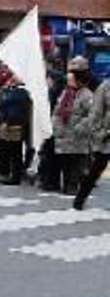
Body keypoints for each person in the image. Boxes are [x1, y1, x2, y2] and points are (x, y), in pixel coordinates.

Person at [51, 56, 93, 195]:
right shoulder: (65, 93)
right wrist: (55, 125)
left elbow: (92, 115)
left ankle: (72, 186)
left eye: (71, 79)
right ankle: (66, 184)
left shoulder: (87, 95)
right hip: (63, 134)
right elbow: (57, 111)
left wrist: (80, 127)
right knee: (65, 162)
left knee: (76, 163)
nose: (68, 82)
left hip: (77, 136)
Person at [76, 74, 110, 209]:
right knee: (96, 169)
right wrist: (98, 133)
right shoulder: (105, 86)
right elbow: (96, 112)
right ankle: (79, 199)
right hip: (107, 136)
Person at [0, 73, 32, 184]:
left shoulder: (21, 92)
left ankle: (15, 176)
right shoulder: (12, 90)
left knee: (15, 151)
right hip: (9, 122)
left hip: (15, 123)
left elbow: (6, 102)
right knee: (9, 149)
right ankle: (8, 173)